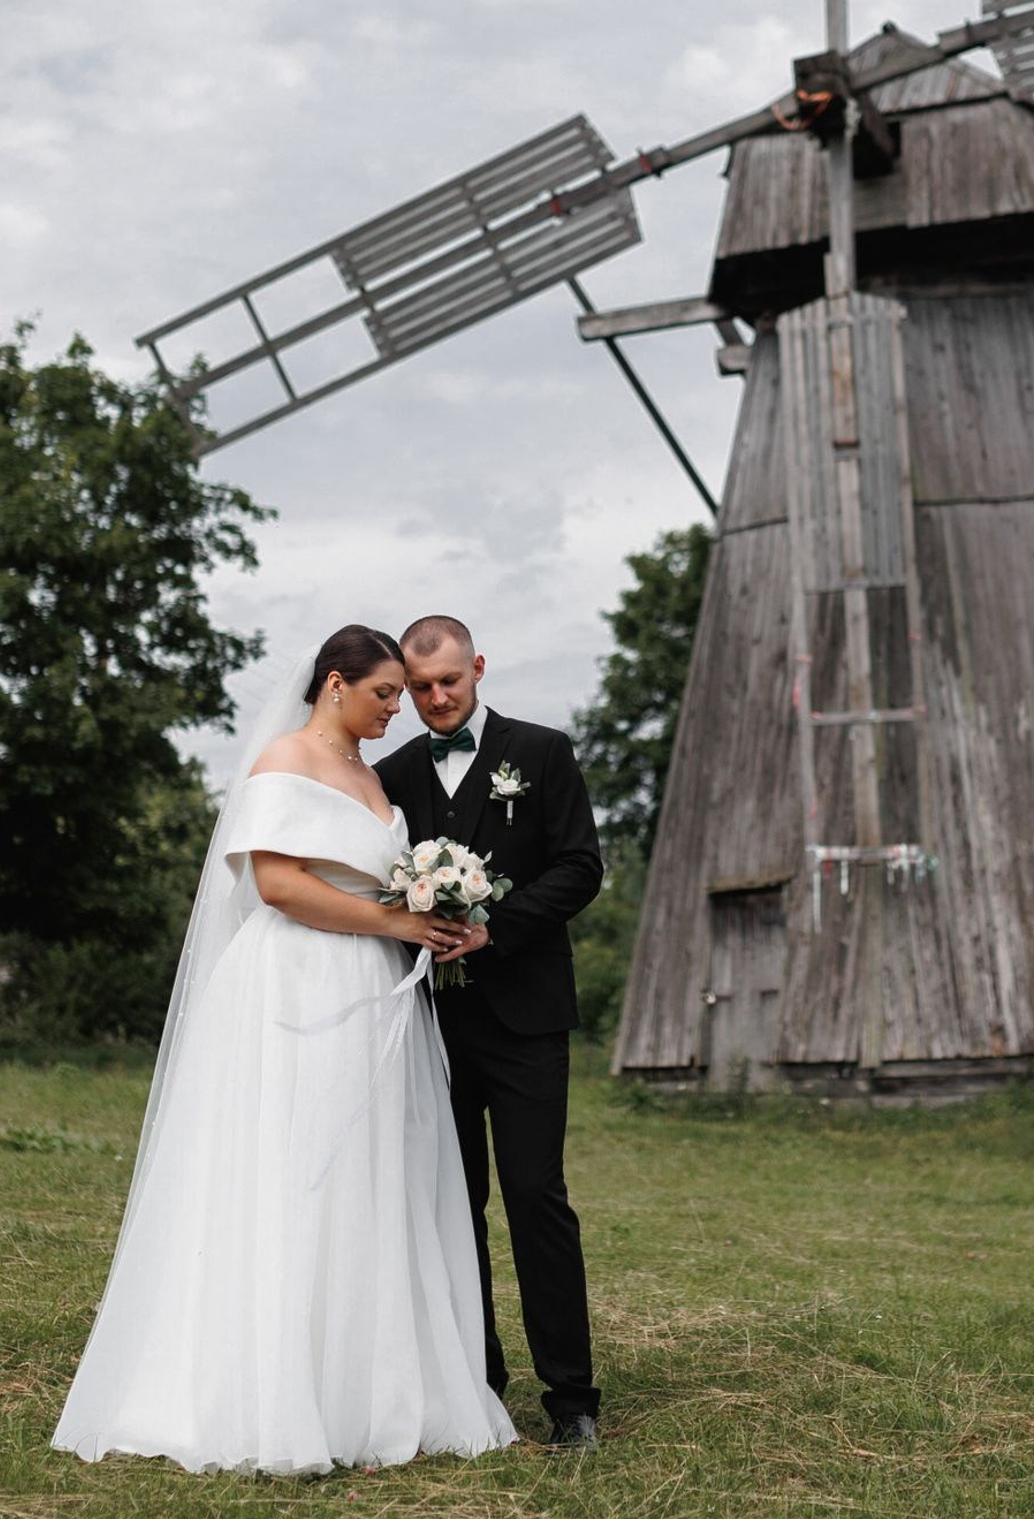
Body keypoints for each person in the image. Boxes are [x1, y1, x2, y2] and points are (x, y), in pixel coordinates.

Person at [51, 625, 518, 1476]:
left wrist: (429, 911)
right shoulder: (283, 761)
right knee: (293, 1163)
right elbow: (278, 884)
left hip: (372, 990)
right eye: (384, 693)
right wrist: (394, 921)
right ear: (336, 683)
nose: (398, 708)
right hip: (297, 982)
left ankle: (364, 1385)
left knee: (368, 1169)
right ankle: (271, 1389)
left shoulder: (373, 777)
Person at [378, 615, 604, 1451]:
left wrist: (493, 927)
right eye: (420, 688)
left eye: (450, 681)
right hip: (431, 1023)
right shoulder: (392, 774)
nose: (437, 698)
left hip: (527, 1018)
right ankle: (475, 1383)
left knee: (535, 1196)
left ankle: (572, 1400)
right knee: (452, 1202)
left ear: (477, 667)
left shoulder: (541, 752)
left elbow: (580, 867)